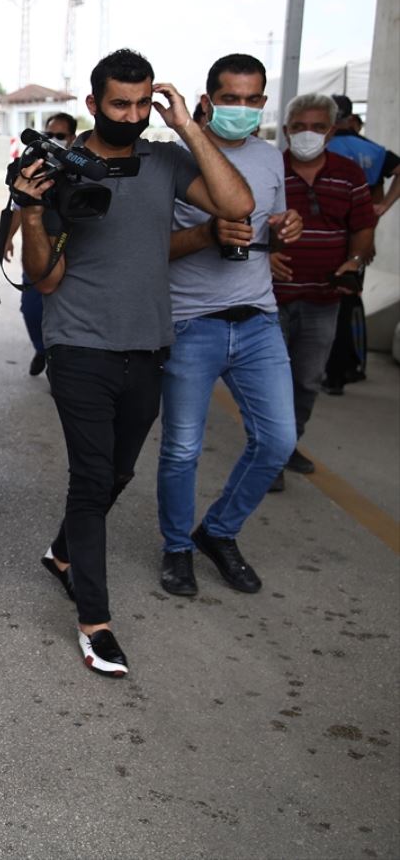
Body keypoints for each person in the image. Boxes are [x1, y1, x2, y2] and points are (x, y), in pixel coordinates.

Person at [15, 49, 253, 677]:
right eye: (119, 104)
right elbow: (44, 279)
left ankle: (63, 554)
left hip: (148, 345)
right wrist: (32, 210)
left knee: (119, 472)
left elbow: (235, 206)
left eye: (143, 103)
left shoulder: (167, 159)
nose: (132, 114)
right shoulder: (62, 168)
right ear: (93, 104)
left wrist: (188, 127)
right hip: (80, 345)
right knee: (92, 479)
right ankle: (95, 622)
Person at [158, 53, 302, 597]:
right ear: (208, 98)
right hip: (192, 323)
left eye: (251, 99)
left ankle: (217, 531)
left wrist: (287, 227)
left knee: (277, 441)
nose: (241, 108)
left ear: (263, 103)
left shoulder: (270, 159)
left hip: (259, 320)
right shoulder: (175, 161)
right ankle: (176, 548)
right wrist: (206, 234)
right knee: (181, 449)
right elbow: (149, 252)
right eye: (230, 98)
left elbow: (270, 227)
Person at [272, 93, 377, 486]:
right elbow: (242, 218)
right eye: (299, 127)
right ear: (286, 131)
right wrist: (263, 257)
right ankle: (269, 457)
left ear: (332, 131)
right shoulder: (271, 169)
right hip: (273, 299)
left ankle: (286, 444)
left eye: (317, 127)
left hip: (323, 300)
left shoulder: (349, 175)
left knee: (307, 379)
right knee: (272, 381)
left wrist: (354, 260)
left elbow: (363, 227)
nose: (307, 134)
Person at [320, 96, 398, 392]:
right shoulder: (373, 151)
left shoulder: (320, 149)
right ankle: (343, 372)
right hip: (357, 244)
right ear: (351, 117)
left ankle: (322, 370)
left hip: (320, 242)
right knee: (346, 302)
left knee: (318, 307)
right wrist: (382, 209)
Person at [4, 112, 77, 376]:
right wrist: (8, 239)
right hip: (37, 252)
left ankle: (60, 361)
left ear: (72, 138)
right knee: (32, 308)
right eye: (49, 135)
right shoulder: (34, 168)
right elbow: (16, 206)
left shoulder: (79, 171)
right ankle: (41, 349)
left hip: (69, 253)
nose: (54, 141)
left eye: (60, 136)